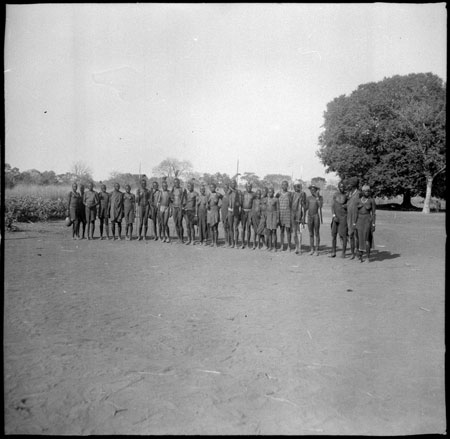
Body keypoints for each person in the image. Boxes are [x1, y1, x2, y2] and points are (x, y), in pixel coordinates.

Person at [354, 184, 376, 262]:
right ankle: (360, 256)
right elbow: (355, 213)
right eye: (365, 191)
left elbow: (373, 213)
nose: (367, 192)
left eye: (368, 191)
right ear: (362, 192)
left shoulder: (371, 201)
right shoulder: (358, 200)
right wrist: (354, 223)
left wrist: (373, 224)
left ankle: (367, 257)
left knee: (367, 239)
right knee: (359, 239)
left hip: (367, 220)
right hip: (359, 221)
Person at [330, 180, 348, 258]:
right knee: (334, 235)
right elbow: (332, 206)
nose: (342, 188)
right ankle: (333, 252)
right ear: (338, 187)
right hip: (336, 218)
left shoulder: (347, 195)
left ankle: (343, 252)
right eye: (340, 186)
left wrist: (345, 205)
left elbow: (349, 205)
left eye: (343, 187)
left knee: (343, 235)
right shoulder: (335, 195)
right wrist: (334, 216)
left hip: (343, 217)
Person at [304, 185, 323, 255]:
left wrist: (317, 197)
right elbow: (306, 208)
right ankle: (312, 249)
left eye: (314, 190)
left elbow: (320, 206)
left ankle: (317, 250)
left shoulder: (320, 198)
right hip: (309, 216)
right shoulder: (308, 198)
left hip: (316, 216)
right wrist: (303, 204)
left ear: (316, 190)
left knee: (317, 233)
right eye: (311, 190)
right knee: (311, 233)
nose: (312, 191)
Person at [346, 177, 360, 260]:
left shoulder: (358, 194)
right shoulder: (350, 194)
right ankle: (352, 253)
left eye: (350, 184)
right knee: (350, 235)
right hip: (349, 217)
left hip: (356, 217)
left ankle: (358, 252)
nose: (349, 185)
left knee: (356, 236)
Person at [276, 180, 293, 251]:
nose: (284, 186)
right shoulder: (278, 194)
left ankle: (289, 246)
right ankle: (282, 246)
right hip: (281, 214)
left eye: (286, 185)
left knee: (288, 231)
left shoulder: (290, 194)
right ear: (281, 186)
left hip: (288, 214)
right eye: (283, 185)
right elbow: (275, 202)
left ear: (287, 186)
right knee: (281, 231)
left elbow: (292, 204)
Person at [291, 180, 306, 254]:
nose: (297, 187)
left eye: (298, 186)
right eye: (295, 186)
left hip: (300, 215)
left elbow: (304, 206)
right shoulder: (292, 194)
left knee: (299, 232)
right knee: (294, 233)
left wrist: (303, 217)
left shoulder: (303, 194)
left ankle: (299, 248)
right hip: (293, 215)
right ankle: (296, 247)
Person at [227, 177, 242, 248]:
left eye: (234, 183)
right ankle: (232, 243)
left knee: (235, 227)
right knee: (230, 227)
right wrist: (235, 175)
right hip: (229, 211)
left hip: (236, 211)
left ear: (236, 184)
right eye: (232, 183)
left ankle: (236, 243)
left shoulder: (238, 192)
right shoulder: (228, 191)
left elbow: (240, 202)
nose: (233, 184)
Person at [171, 177, 186, 244]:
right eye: (175, 182)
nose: (176, 183)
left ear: (179, 183)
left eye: (177, 182)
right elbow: (171, 199)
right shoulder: (173, 189)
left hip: (180, 208)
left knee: (180, 223)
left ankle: (182, 238)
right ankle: (178, 238)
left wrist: (182, 205)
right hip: (175, 208)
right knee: (176, 223)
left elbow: (185, 199)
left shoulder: (182, 189)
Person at [207, 182, 222, 247]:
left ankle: (216, 242)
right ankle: (212, 242)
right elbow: (207, 203)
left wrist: (219, 206)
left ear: (215, 188)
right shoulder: (208, 194)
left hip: (215, 211)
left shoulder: (218, 194)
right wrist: (207, 206)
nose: (211, 188)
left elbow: (223, 200)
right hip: (210, 212)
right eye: (210, 187)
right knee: (211, 228)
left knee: (215, 228)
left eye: (212, 187)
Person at [183, 179, 198, 245]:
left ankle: (193, 240)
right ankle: (189, 239)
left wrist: (196, 214)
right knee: (187, 226)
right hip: (187, 212)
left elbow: (197, 204)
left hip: (192, 212)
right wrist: (184, 207)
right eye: (188, 186)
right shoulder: (187, 194)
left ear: (193, 186)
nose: (189, 187)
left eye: (190, 186)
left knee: (191, 226)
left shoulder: (195, 194)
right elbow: (185, 203)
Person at [265, 187, 280, 251]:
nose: (269, 193)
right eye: (268, 192)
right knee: (269, 232)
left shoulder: (276, 199)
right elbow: (266, 208)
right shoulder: (267, 199)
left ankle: (275, 247)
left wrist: (277, 219)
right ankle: (270, 246)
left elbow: (278, 209)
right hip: (268, 216)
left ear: (273, 192)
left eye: (271, 192)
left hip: (274, 215)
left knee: (274, 231)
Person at [241, 182, 255, 249]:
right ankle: (243, 243)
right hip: (243, 212)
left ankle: (248, 243)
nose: (249, 188)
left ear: (251, 187)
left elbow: (255, 203)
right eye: (247, 186)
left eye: (250, 186)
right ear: (245, 187)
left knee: (248, 228)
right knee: (243, 228)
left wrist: (252, 212)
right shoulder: (243, 193)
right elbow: (240, 202)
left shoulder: (253, 194)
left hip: (250, 212)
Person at [158, 178, 172, 243]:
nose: (164, 187)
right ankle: (163, 237)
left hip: (167, 208)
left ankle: (168, 237)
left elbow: (171, 202)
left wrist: (171, 210)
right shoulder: (160, 192)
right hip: (161, 208)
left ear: (167, 186)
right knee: (162, 223)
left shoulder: (169, 192)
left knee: (165, 223)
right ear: (162, 186)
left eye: (165, 186)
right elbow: (158, 201)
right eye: (163, 186)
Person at [220, 182, 231, 247]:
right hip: (223, 214)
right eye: (224, 188)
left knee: (228, 229)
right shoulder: (224, 195)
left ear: (228, 188)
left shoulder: (229, 196)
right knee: (225, 228)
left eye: (226, 188)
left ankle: (228, 242)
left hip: (227, 215)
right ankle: (226, 242)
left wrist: (227, 215)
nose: (225, 189)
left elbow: (230, 206)